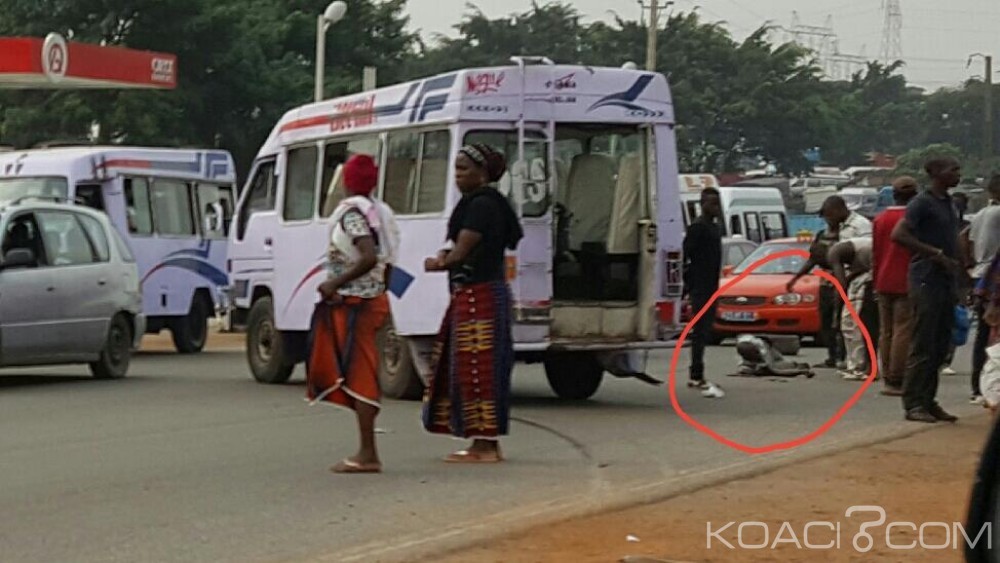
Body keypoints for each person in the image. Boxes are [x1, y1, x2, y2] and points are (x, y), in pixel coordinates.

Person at [422, 143, 524, 463]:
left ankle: (485, 445)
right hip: (480, 293)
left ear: (482, 173)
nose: (457, 175)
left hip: (480, 295)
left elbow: (462, 252)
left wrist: (437, 263)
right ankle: (483, 442)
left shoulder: (482, 206)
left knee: (478, 371)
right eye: (456, 168)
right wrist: (447, 257)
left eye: (464, 168)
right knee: (474, 369)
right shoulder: (484, 203)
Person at [306, 154, 400, 474]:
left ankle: (368, 452)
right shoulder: (382, 213)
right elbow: (387, 261)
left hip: (355, 304)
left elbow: (369, 256)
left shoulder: (352, 215)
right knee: (362, 370)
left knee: (360, 374)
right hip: (374, 300)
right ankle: (366, 449)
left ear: (346, 180)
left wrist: (335, 282)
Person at [891, 157, 965, 424]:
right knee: (923, 342)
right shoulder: (921, 203)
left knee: (940, 344)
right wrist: (934, 253)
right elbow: (899, 235)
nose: (957, 174)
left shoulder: (949, 203)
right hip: (926, 279)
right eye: (952, 169)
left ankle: (928, 399)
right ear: (935, 173)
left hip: (946, 279)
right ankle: (913, 403)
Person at [871, 176, 919, 397]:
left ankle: (888, 375)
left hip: (883, 279)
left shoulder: (880, 219)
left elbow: (875, 253)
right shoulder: (913, 218)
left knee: (886, 330)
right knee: (903, 329)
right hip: (905, 280)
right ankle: (897, 378)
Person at [963, 175, 1000, 404]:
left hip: (982, 277)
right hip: (994, 277)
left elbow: (964, 238)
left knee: (984, 335)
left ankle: (978, 387)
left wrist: (969, 264)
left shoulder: (981, 215)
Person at [683, 187, 723, 391]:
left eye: (717, 204)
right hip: (699, 286)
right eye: (712, 204)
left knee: (706, 330)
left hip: (712, 285)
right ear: (702, 204)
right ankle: (695, 373)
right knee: (699, 331)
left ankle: (699, 372)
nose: (716, 208)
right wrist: (687, 285)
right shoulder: (697, 227)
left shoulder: (715, 228)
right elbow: (686, 255)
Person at [828, 237, 875, 380]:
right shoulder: (852, 246)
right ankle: (855, 364)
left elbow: (841, 286)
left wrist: (836, 314)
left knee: (853, 324)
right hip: (866, 276)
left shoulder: (833, 254)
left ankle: (858, 365)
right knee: (850, 324)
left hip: (870, 278)